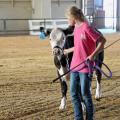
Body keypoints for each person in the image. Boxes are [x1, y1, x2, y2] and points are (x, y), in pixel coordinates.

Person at [64, 6, 106, 120]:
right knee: (73, 94)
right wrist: (68, 50)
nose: (68, 21)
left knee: (85, 95)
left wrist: (92, 55)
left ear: (74, 17)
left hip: (85, 67)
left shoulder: (86, 27)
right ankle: (78, 118)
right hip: (74, 66)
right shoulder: (76, 28)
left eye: (68, 18)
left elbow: (102, 41)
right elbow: (79, 45)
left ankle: (89, 118)